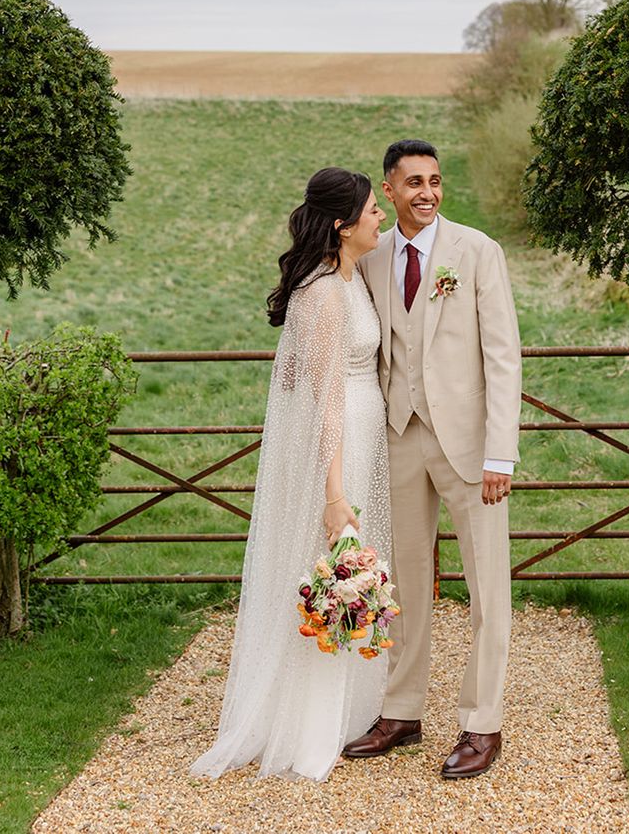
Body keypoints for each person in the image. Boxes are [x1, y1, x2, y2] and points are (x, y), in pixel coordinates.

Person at [191, 167, 391, 783]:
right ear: (342, 224)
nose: (381, 215)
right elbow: (324, 391)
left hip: (362, 428)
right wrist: (334, 494)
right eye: (373, 209)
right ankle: (309, 717)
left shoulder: (347, 279)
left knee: (342, 567)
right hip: (342, 442)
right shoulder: (325, 293)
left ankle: (346, 701)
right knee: (329, 560)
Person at [345, 139, 521, 779]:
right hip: (400, 436)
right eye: (413, 182)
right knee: (404, 585)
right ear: (388, 192)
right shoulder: (371, 257)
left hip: (472, 445)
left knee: (487, 590)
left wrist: (502, 453)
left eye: (435, 181)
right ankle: (402, 708)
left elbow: (503, 357)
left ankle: (482, 722)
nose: (427, 192)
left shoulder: (476, 252)